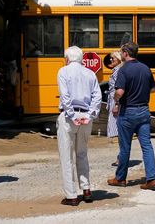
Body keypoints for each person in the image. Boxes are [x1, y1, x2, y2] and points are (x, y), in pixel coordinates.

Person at [107, 41, 155, 191]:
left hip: (128, 112)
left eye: (121, 52)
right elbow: (153, 89)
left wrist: (115, 100)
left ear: (125, 53)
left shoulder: (124, 70)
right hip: (143, 111)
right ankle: (152, 179)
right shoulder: (145, 68)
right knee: (147, 146)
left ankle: (120, 178)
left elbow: (120, 92)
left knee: (125, 147)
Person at [56, 46, 102, 206]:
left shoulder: (63, 71)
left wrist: (71, 114)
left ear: (67, 58)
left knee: (66, 157)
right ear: (81, 58)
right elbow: (97, 96)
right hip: (85, 117)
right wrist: (89, 115)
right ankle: (86, 189)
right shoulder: (90, 73)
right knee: (82, 153)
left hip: (70, 117)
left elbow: (65, 95)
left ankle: (71, 195)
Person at [106, 51, 123, 166]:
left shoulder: (118, 72)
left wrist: (116, 105)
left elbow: (119, 90)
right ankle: (121, 157)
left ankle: (121, 158)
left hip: (116, 102)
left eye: (113, 58)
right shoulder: (116, 71)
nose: (111, 60)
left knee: (120, 131)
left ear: (119, 59)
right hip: (113, 101)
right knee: (119, 132)